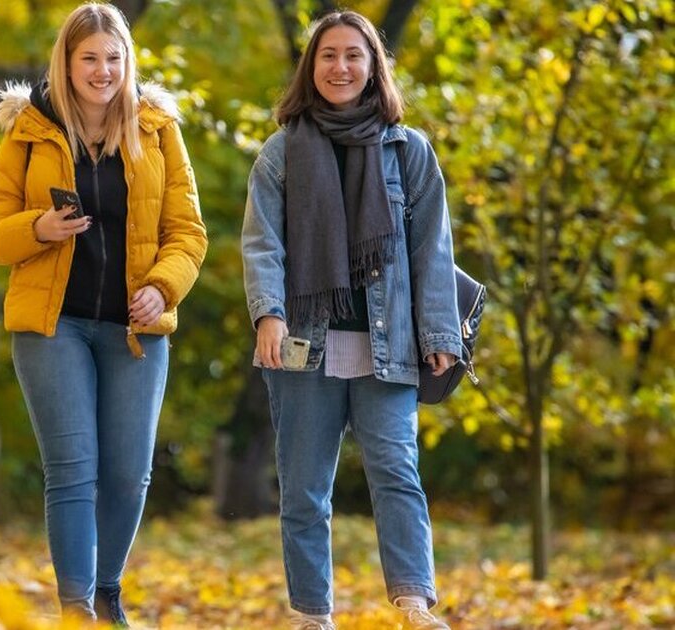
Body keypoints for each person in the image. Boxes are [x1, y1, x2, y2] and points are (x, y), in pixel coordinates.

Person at [0, 2, 207, 624]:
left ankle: (108, 590)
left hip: (136, 330)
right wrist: (41, 227)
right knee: (73, 470)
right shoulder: (28, 128)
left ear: (127, 61)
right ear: (67, 62)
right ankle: (76, 606)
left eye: (113, 58)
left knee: (129, 472)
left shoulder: (158, 128)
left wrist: (163, 287)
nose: (103, 71)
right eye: (89, 59)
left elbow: (188, 233)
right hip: (54, 328)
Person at [241, 10, 460, 630]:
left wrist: (438, 335)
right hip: (302, 343)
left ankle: (414, 603)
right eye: (328, 55)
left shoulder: (407, 149)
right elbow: (263, 244)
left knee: (398, 473)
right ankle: (313, 614)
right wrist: (269, 314)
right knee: (305, 490)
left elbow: (431, 250)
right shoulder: (281, 152)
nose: (341, 66)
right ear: (312, 68)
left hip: (388, 344)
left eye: (353, 55)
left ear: (373, 66)